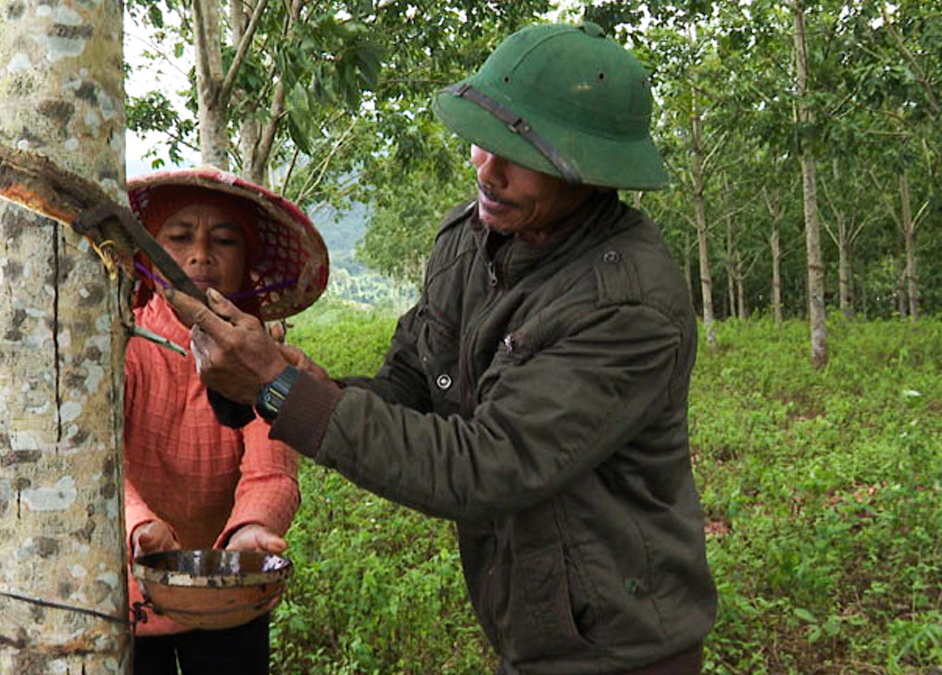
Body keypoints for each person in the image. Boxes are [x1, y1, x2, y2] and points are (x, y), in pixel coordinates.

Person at [164, 22, 718, 675]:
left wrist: (283, 392)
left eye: (523, 153)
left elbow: (488, 465)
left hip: (623, 648)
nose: (487, 167)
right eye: (485, 140)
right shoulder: (469, 241)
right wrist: (301, 381)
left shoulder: (625, 305)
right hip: (533, 625)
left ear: (590, 173)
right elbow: (410, 386)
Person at [121, 168, 329, 675]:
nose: (201, 256)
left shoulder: (262, 357)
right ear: (150, 253)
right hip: (124, 594)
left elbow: (272, 470)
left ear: (247, 262)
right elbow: (99, 466)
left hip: (230, 592)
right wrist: (138, 525)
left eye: (223, 239)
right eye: (178, 236)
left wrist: (253, 530)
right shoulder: (123, 347)